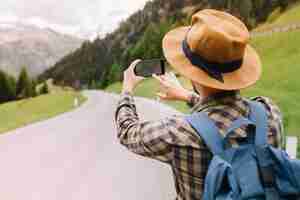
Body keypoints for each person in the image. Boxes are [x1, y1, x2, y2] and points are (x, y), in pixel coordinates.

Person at [114, 9, 283, 200]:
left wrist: (127, 88)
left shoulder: (179, 133)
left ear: (193, 74)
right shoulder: (269, 113)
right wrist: (188, 97)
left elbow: (128, 132)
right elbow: (225, 116)